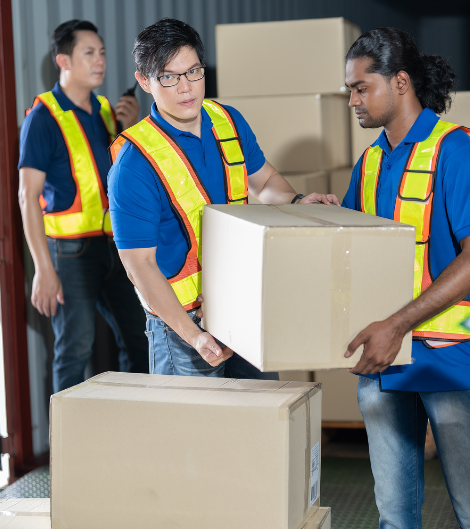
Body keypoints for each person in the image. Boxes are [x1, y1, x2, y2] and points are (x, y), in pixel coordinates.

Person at [341, 28, 470, 529]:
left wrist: (396, 324)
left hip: (448, 358)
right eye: (349, 89)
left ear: (400, 82)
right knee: (394, 517)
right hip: (383, 360)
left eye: (360, 87)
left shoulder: (455, 149)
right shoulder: (370, 161)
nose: (352, 100)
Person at [108, 19, 339, 379]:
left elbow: (263, 183)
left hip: (241, 307)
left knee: (260, 424)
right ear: (144, 81)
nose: (186, 88)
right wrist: (195, 337)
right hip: (182, 326)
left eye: (193, 72)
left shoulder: (227, 120)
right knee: (196, 434)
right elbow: (140, 267)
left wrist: (296, 201)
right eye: (169, 77)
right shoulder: (134, 163)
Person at [18, 20, 146, 393]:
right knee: (74, 350)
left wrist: (127, 127)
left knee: (139, 340)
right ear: (64, 61)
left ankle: (133, 429)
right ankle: (67, 450)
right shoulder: (42, 119)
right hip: (70, 254)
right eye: (88, 53)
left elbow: (115, 176)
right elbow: (27, 196)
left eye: (102, 52)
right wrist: (43, 268)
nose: (100, 60)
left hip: (113, 247)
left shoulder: (107, 111)